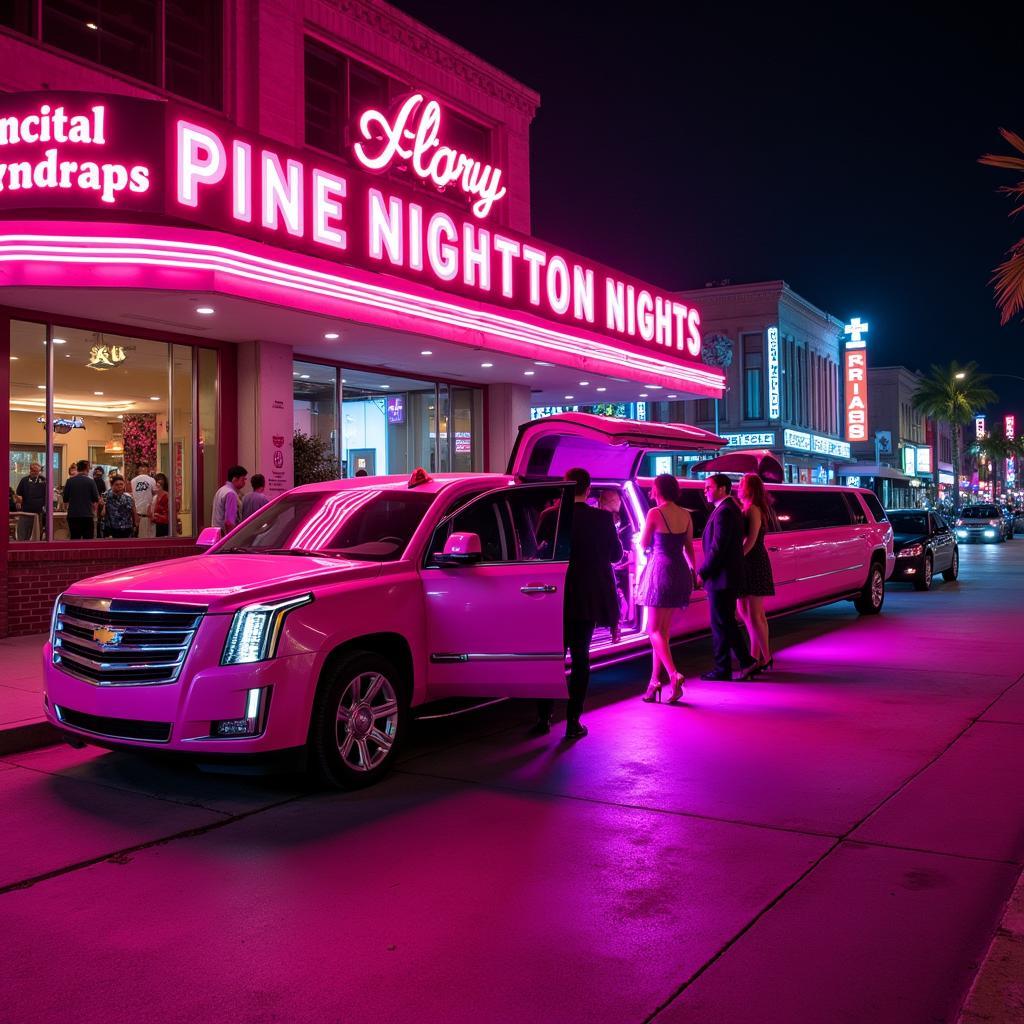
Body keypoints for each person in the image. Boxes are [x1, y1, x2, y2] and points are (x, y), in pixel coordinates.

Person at [532, 467, 621, 740]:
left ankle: (544, 717)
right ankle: (573, 721)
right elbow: (616, 556)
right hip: (586, 597)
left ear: (565, 487)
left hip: (553, 596)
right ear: (588, 488)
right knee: (581, 657)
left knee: (551, 658)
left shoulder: (550, 517)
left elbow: (537, 552)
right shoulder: (602, 519)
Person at [636, 473, 696, 704]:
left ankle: (673, 674)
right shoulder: (685, 515)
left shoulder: (655, 513)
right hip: (680, 571)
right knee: (663, 633)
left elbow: (643, 544)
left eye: (653, 487)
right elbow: (688, 547)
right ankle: (653, 683)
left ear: (658, 490)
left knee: (653, 631)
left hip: (660, 570)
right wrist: (694, 572)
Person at [696, 474, 758, 681]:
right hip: (725, 577)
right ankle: (728, 665)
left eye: (708, 487)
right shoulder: (728, 508)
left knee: (723, 622)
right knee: (723, 622)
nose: (704, 490)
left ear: (722, 489)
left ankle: (743, 662)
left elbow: (717, 548)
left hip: (722, 578)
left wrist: (702, 572)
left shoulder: (725, 511)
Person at [736, 473, 777, 673]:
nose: (738, 486)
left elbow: (750, 541)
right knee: (746, 611)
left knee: (754, 614)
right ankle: (755, 656)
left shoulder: (752, 509)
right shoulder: (751, 507)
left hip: (753, 561)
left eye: (741, 483)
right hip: (749, 561)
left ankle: (766, 657)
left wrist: (736, 558)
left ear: (750, 489)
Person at [63, 459, 99, 539]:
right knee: (87, 540)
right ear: (87, 468)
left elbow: (65, 499)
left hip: (73, 515)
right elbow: (95, 499)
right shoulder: (91, 482)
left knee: (75, 539)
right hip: (87, 515)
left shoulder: (69, 481)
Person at [212, 465, 248, 533]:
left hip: (217, 532)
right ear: (235, 479)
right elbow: (229, 522)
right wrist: (231, 538)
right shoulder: (231, 494)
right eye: (243, 479)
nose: (244, 482)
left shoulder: (221, 490)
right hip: (225, 535)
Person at [131, 462, 157, 538]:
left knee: (140, 540)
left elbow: (132, 496)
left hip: (138, 514)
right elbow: (155, 494)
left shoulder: (133, 481)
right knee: (150, 539)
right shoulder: (152, 480)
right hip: (148, 514)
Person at [151, 473, 170, 537]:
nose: (159, 482)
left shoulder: (167, 495)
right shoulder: (155, 495)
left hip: (165, 524)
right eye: (158, 480)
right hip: (156, 524)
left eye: (161, 480)